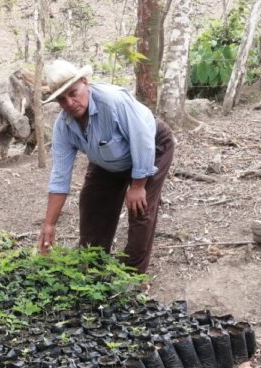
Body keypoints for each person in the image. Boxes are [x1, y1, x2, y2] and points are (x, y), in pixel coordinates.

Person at [37, 59, 175, 274]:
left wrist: (138, 186)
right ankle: (93, 266)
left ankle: (131, 275)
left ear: (85, 82)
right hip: (108, 157)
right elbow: (60, 176)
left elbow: (142, 140)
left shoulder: (113, 101)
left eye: (73, 93)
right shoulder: (63, 126)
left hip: (151, 146)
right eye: (62, 100)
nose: (70, 103)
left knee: (140, 209)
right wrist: (49, 224)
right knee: (92, 202)